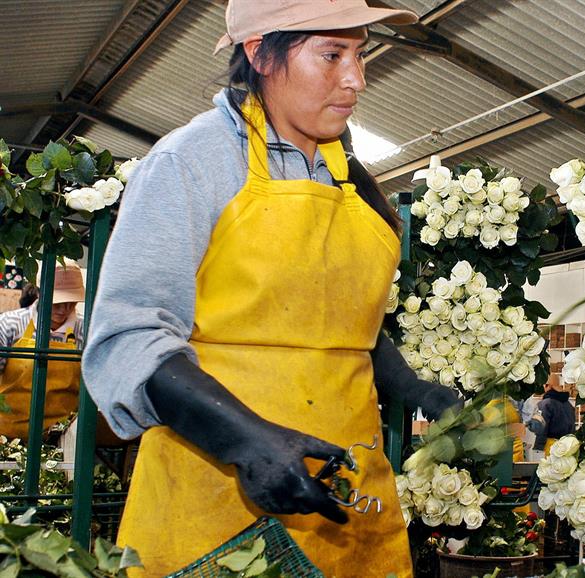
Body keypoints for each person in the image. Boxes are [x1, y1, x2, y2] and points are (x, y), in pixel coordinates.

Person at [81, 2, 462, 576]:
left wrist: (411, 387)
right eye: (331, 54)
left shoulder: (346, 175)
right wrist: (244, 441)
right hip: (220, 498)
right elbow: (129, 336)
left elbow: (331, 318)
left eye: (359, 54)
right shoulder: (194, 162)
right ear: (260, 53)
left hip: (348, 494)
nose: (355, 78)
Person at [0, 265, 84, 438]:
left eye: (71, 302)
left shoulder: (85, 331)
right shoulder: (9, 325)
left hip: (62, 438)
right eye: (58, 302)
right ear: (39, 293)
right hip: (7, 434)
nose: (64, 309)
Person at [526, 374, 575, 458]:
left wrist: (538, 448)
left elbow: (541, 428)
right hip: (567, 447)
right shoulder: (569, 405)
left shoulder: (545, 404)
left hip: (550, 447)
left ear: (547, 386)